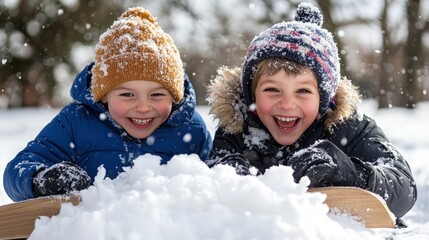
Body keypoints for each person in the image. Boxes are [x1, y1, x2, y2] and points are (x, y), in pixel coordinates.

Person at [206, 2, 416, 219]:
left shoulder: (351, 128)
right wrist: (233, 179)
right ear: (251, 94)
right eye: (272, 89)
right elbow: (216, 171)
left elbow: (404, 187)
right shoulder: (237, 128)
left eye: (303, 91)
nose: (287, 104)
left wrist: (352, 174)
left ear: (324, 99)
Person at [4, 7, 212, 201]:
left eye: (156, 95)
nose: (142, 107)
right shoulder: (76, 122)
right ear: (103, 95)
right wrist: (41, 179)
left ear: (174, 97)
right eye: (128, 95)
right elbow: (18, 169)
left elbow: (219, 179)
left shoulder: (190, 130)